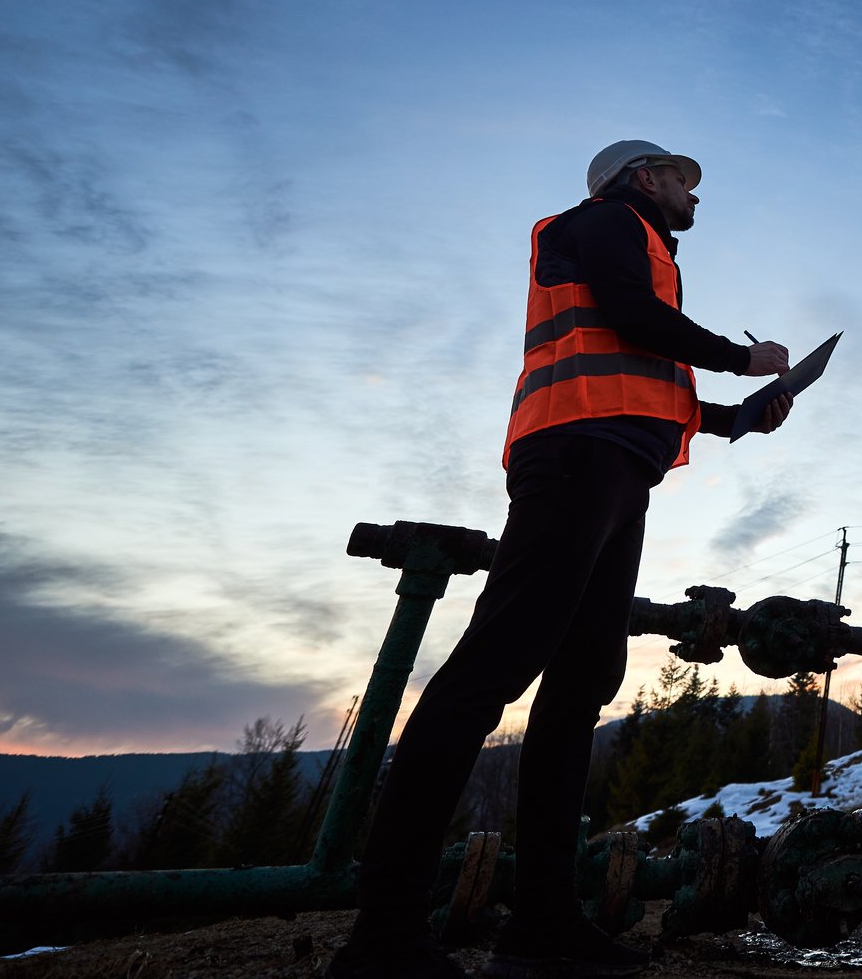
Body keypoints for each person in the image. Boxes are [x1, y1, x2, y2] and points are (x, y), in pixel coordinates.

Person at [331, 139, 795, 979]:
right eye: (685, 180)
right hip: (578, 456)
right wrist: (743, 354)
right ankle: (385, 936)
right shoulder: (605, 222)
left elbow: (645, 368)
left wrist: (741, 415)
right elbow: (629, 321)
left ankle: (543, 922)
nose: (696, 196)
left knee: (581, 681)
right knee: (493, 668)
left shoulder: (640, 250)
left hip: (615, 463)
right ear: (644, 177)